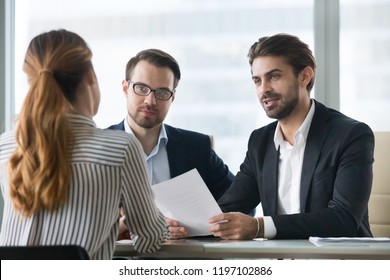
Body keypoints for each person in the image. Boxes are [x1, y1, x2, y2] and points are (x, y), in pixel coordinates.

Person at [0, 29, 168, 259]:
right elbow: (149, 239)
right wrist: (124, 218)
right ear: (90, 76)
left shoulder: (6, 147)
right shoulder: (120, 150)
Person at [208, 33, 374, 240]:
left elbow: (343, 219)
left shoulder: (350, 135)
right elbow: (229, 209)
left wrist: (259, 227)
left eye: (274, 76)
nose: (264, 89)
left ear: (305, 76)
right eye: (257, 81)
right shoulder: (260, 141)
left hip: (337, 264)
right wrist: (189, 226)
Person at [108, 49, 235, 238]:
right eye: (141, 88)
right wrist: (127, 225)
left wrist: (193, 225)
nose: (150, 101)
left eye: (161, 92)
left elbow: (240, 206)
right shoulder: (94, 147)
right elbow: (76, 225)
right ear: (125, 88)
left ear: (172, 97)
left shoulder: (197, 147)